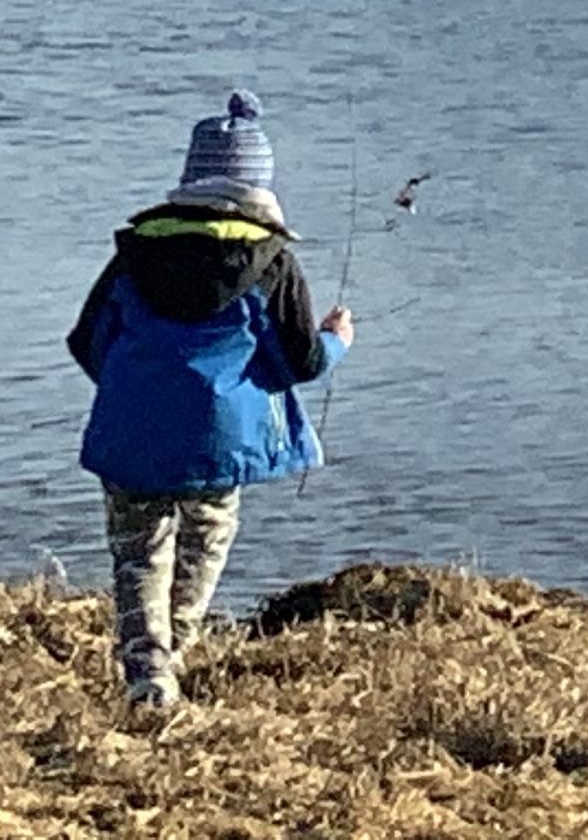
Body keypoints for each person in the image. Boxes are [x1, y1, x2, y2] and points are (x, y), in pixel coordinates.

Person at [65, 95, 353, 718]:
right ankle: (179, 649)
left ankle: (148, 675)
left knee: (138, 552)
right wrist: (338, 341)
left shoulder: (134, 252)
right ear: (260, 187)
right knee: (209, 532)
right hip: (220, 439)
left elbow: (85, 342)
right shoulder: (272, 262)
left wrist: (132, 391)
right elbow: (299, 363)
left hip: (132, 435)